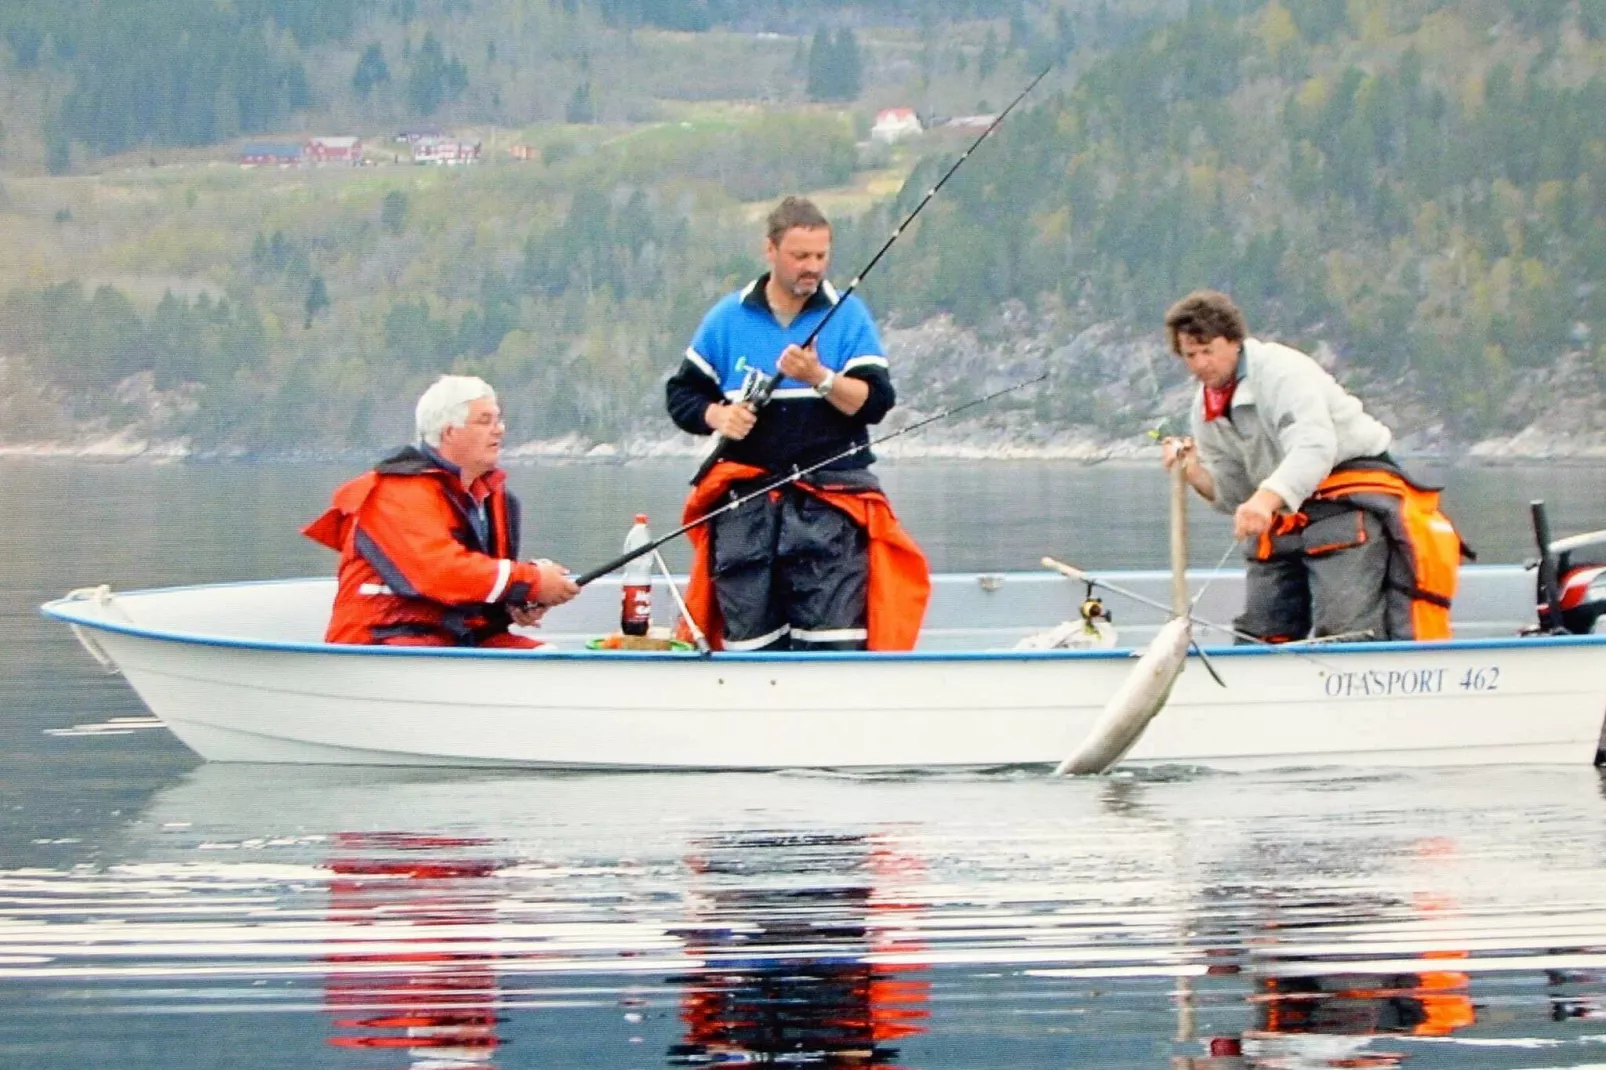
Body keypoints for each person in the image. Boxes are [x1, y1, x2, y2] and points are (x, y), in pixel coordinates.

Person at [665, 195, 929, 652]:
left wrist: (820, 378)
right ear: (770, 251)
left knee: (833, 641)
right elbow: (682, 396)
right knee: (747, 642)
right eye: (800, 256)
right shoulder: (727, 319)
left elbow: (875, 402)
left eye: (821, 256)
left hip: (830, 504)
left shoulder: (847, 316)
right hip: (745, 506)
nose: (812, 267)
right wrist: (719, 415)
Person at [1159, 290, 1466, 643]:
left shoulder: (1281, 373)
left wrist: (1264, 500)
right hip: (1286, 510)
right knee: (1260, 631)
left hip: (1348, 495)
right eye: (1190, 355)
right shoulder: (1205, 409)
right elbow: (1236, 491)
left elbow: (1314, 447)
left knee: (1344, 629)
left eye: (1207, 350)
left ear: (1233, 341)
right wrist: (1194, 472)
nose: (1200, 364)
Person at [303, 374, 578, 647]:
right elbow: (440, 573)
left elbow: (475, 588)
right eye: (485, 421)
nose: (499, 429)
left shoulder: (494, 499)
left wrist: (512, 603)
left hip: (453, 637)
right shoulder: (397, 493)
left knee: (546, 657)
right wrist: (532, 581)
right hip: (381, 643)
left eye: (499, 420)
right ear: (449, 432)